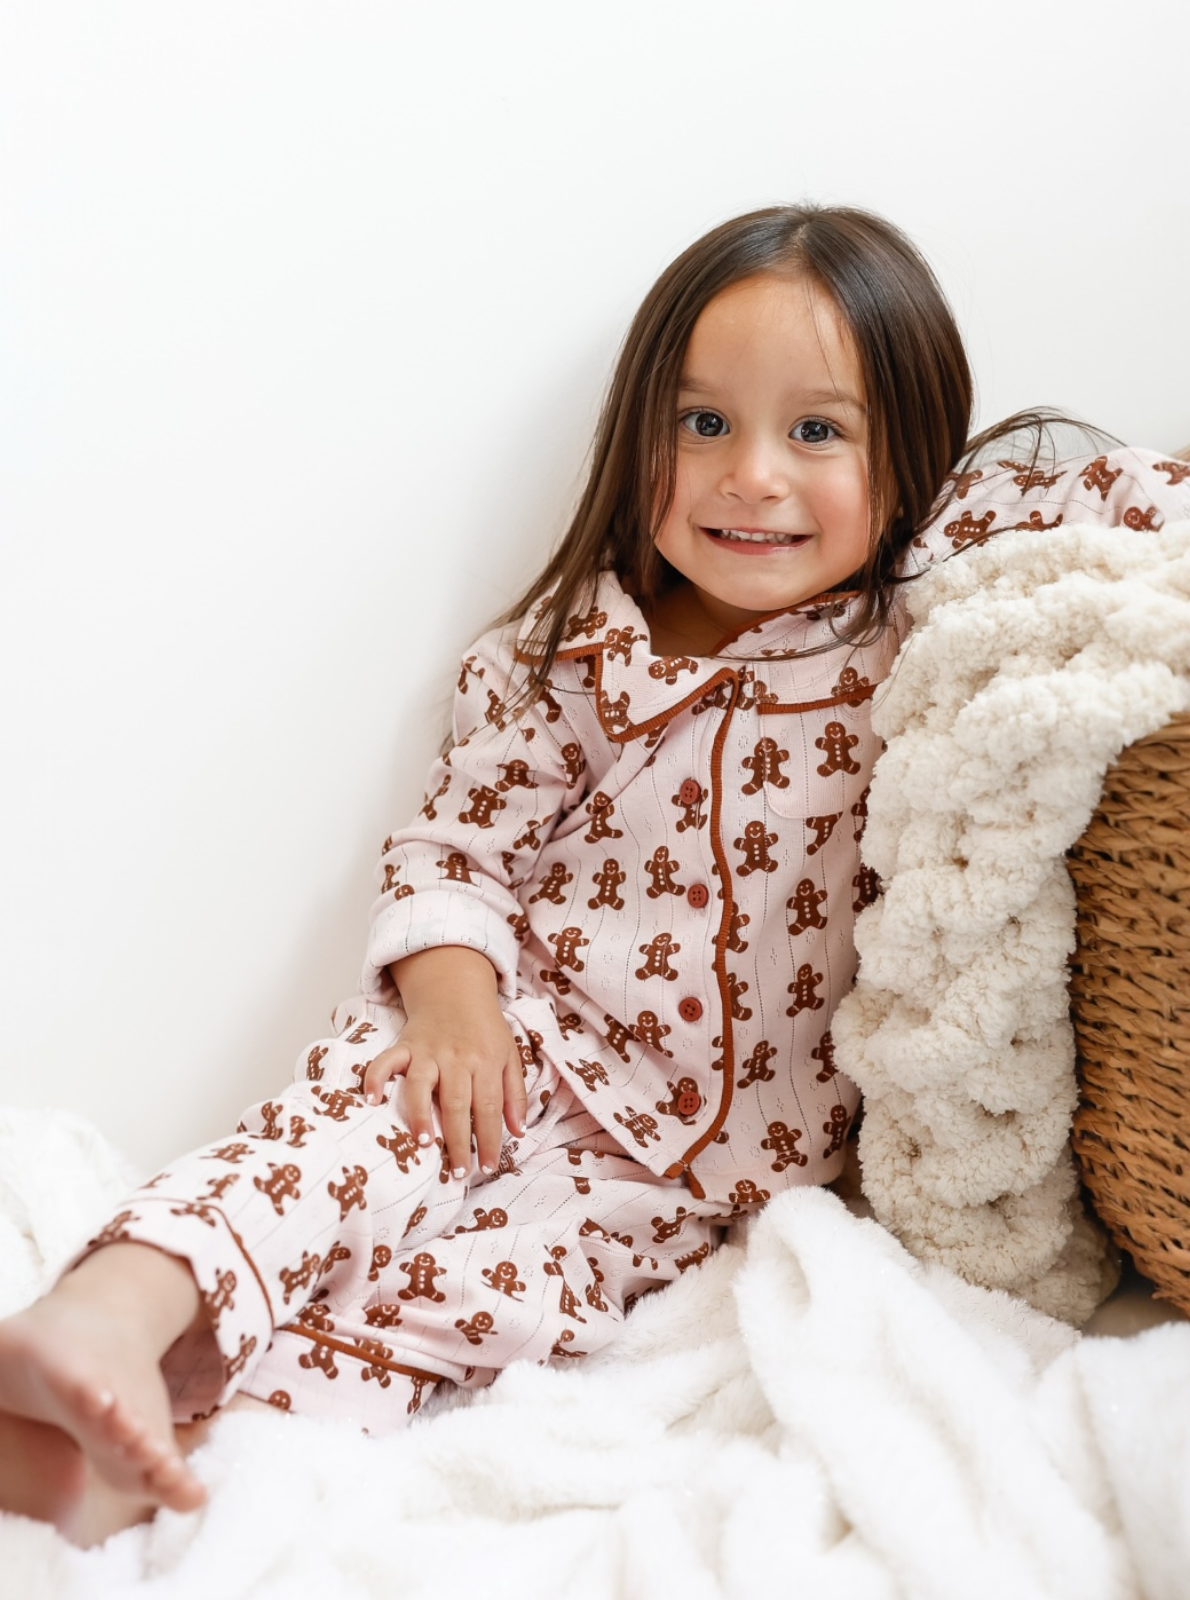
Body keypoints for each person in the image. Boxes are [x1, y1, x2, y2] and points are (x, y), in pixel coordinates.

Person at [2, 205, 1188, 1547]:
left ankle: (141, 1451)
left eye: (816, 430)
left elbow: (1120, 490)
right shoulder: (572, 656)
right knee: (324, 1153)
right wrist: (450, 1005)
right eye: (701, 424)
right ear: (639, 439)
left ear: (907, 455)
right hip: (511, 1052)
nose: (749, 477)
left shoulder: (917, 616)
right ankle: (100, 1315)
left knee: (476, 1303)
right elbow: (454, 848)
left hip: (692, 1175)